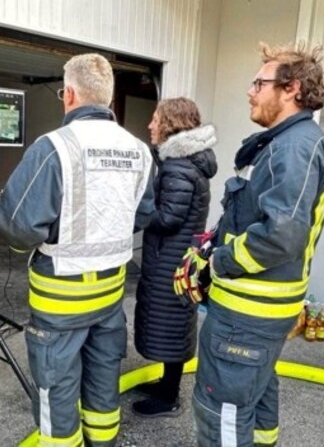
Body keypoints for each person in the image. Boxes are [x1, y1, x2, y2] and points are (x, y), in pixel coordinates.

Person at [0, 53, 155, 447]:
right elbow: (143, 214)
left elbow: (18, 229)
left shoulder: (53, 148)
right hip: (111, 296)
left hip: (60, 301)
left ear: (68, 94)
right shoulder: (139, 150)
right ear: (108, 96)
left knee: (57, 391)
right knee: (102, 386)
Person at [192, 42, 324, 446]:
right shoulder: (290, 143)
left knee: (222, 412)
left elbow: (280, 236)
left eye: (259, 82)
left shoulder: (293, 148)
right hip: (261, 312)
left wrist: (218, 263)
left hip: (246, 316)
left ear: (290, 89)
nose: (250, 91)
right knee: (256, 395)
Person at [132, 98, 217, 418]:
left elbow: (168, 218)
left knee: (171, 323)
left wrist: (136, 208)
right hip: (177, 257)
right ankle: (167, 386)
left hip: (171, 259)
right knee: (174, 323)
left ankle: (168, 398)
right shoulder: (188, 162)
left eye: (156, 120)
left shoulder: (178, 167)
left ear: (170, 124)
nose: (150, 125)